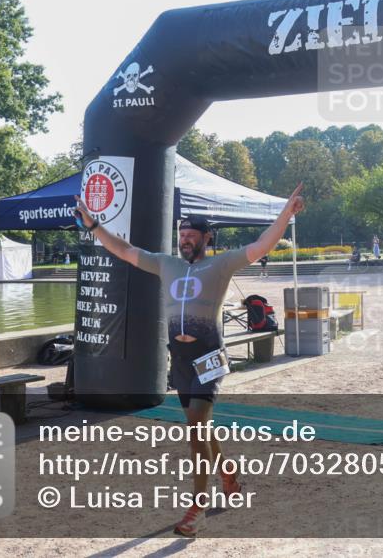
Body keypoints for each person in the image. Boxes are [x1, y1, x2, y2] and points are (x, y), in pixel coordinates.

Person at [74, 184, 305, 538]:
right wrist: (93, 226)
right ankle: (228, 474)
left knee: (195, 426)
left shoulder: (221, 264)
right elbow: (123, 250)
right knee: (201, 427)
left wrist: (285, 215)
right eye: (181, 234)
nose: (184, 240)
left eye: (191, 235)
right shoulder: (166, 264)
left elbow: (261, 247)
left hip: (209, 355)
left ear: (205, 238)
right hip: (180, 358)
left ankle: (197, 505)